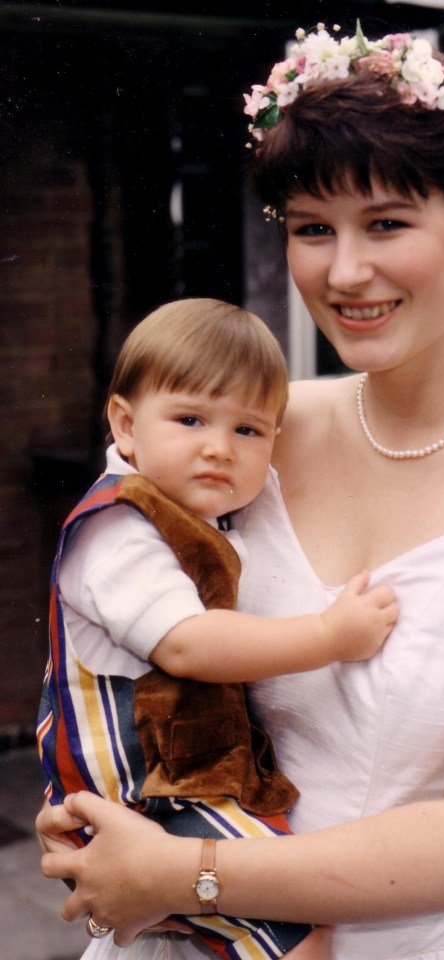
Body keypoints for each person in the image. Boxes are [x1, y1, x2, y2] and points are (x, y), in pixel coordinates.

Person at [38, 24, 444, 960]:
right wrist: (88, 809)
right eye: (313, 229)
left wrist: (181, 873)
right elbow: (105, 611)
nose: (344, 273)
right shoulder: (254, 435)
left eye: (386, 223)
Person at [36, 297, 398, 960]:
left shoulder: (189, 520)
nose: (218, 447)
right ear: (125, 423)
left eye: (249, 432)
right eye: (190, 418)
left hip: (179, 784)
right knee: (298, 932)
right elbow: (188, 644)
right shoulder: (118, 530)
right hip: (147, 801)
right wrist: (327, 635)